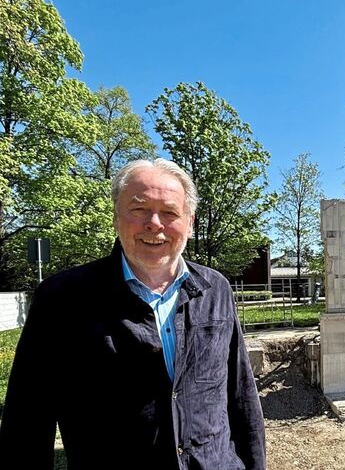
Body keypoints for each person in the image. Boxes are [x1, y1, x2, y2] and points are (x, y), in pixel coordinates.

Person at [0, 159, 266, 469]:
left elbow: (241, 395)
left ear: (190, 223)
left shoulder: (215, 289)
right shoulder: (62, 298)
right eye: (139, 210)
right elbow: (27, 422)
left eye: (170, 212)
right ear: (116, 217)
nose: (154, 223)